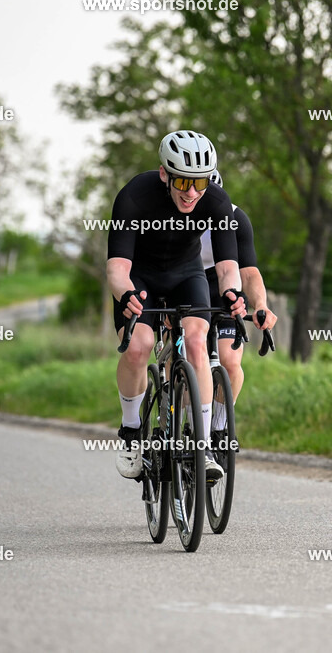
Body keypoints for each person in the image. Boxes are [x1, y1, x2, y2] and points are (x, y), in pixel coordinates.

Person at [106, 130, 246, 483]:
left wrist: (231, 293)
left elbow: (229, 267)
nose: (192, 193)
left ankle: (202, 447)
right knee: (139, 346)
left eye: (200, 183)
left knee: (197, 341)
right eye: (184, 182)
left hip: (186, 274)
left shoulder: (215, 200)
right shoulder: (134, 196)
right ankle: (130, 429)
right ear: (165, 174)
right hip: (140, 277)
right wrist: (126, 295)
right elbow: (117, 268)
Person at [199, 170, 277, 433]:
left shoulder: (234, 217)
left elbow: (249, 271)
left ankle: (218, 429)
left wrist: (261, 305)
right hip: (182, 284)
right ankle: (178, 427)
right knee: (183, 360)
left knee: (230, 363)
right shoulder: (175, 218)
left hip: (223, 286)